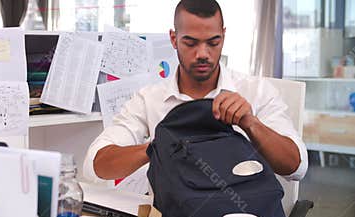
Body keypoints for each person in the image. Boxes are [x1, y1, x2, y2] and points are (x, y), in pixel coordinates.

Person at [83, 0, 308, 184]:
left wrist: (251, 123)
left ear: (224, 36)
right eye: (190, 43)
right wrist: (156, 148)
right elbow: (94, 166)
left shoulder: (256, 91)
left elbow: (297, 167)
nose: (203, 53)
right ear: (174, 39)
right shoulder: (149, 99)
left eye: (213, 42)